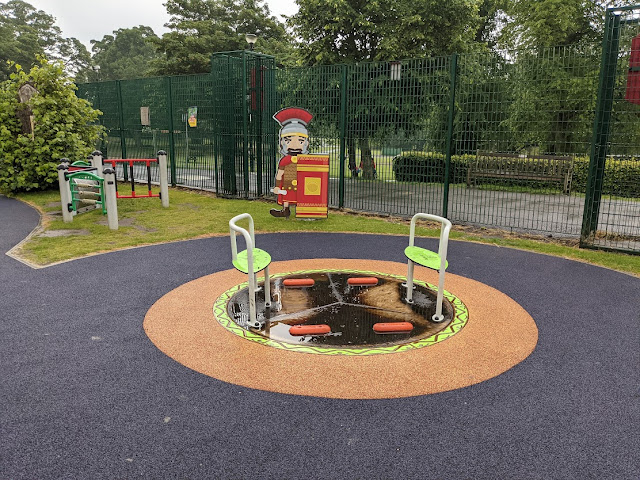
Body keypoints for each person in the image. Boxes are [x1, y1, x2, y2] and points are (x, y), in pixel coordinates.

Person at [270, 107, 313, 218]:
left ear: (306, 143)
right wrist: (277, 186)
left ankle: (304, 211)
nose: (294, 145)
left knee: (301, 195)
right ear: (282, 142)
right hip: (287, 185)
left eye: (300, 141)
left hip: (301, 184)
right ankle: (285, 210)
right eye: (289, 140)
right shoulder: (284, 160)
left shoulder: (305, 160)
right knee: (287, 196)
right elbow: (279, 175)